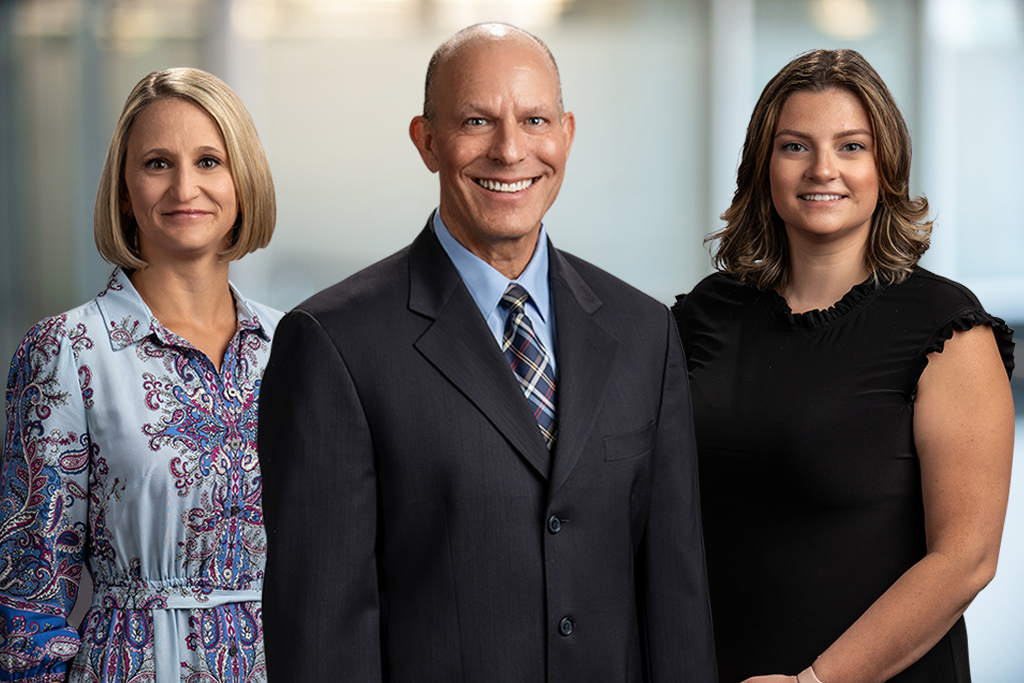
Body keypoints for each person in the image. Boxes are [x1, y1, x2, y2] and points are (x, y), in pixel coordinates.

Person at [258, 22, 716, 683]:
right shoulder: (334, 344)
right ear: (427, 141)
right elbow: (321, 632)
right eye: (477, 120)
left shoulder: (645, 332)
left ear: (567, 134)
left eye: (534, 119)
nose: (510, 149)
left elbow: (677, 599)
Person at [673, 49, 1015, 683]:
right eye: (795, 147)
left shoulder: (945, 327)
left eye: (851, 146)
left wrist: (817, 682)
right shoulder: (704, 316)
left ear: (885, 167)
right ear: (763, 168)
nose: (822, 169)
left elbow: (966, 559)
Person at [0, 68, 282, 681]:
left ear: (243, 180)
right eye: (158, 163)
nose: (186, 186)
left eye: (210, 160)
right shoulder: (67, 352)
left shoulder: (297, 347)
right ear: (124, 190)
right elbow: (28, 598)